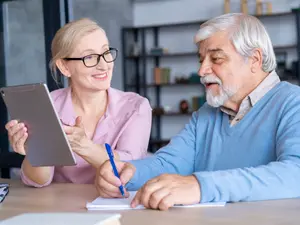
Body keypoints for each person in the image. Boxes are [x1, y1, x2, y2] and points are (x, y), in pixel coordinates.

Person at [95, 13, 300, 210]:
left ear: (254, 60)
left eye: (216, 59)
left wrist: (200, 186)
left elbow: (295, 174)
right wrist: (129, 173)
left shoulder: (293, 103)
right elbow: (170, 163)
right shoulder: (207, 113)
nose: (202, 71)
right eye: (201, 60)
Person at [4, 18, 152, 187]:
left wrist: (85, 147)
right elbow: (39, 181)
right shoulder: (49, 105)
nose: (104, 65)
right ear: (64, 67)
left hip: (116, 205)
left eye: (106, 53)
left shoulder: (135, 107)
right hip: (60, 208)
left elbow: (131, 170)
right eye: (89, 57)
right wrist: (35, 152)